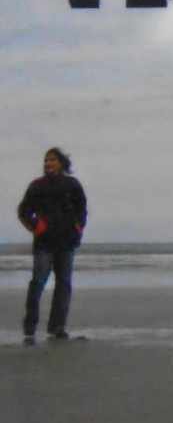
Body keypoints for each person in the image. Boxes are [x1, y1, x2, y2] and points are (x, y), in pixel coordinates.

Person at [18, 147, 88, 344]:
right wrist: (37, 226)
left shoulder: (72, 184)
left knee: (63, 284)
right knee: (38, 282)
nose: (48, 163)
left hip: (67, 242)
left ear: (61, 163)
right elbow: (23, 211)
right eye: (46, 160)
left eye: (52, 160)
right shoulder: (37, 186)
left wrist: (78, 227)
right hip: (44, 243)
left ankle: (57, 327)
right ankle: (30, 327)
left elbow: (82, 209)